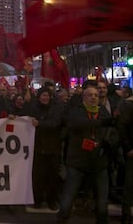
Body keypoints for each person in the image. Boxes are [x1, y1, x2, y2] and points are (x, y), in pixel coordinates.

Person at [57, 86, 114, 224]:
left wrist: (109, 143)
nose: (94, 97)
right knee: (68, 198)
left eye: (96, 95)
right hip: (78, 162)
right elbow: (78, 123)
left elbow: (112, 129)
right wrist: (101, 123)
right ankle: (62, 219)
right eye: (90, 95)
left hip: (99, 162)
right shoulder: (77, 111)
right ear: (84, 98)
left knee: (102, 200)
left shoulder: (103, 112)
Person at [30, 87, 64, 210]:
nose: (45, 98)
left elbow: (55, 123)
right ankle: (37, 199)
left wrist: (40, 124)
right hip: (38, 147)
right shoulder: (34, 108)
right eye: (43, 95)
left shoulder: (56, 108)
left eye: (47, 95)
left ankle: (51, 200)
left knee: (52, 175)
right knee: (38, 175)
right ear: (39, 97)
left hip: (52, 147)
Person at [117, 94, 133, 224]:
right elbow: (122, 128)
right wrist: (128, 148)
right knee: (130, 184)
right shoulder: (129, 106)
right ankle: (126, 213)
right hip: (132, 151)